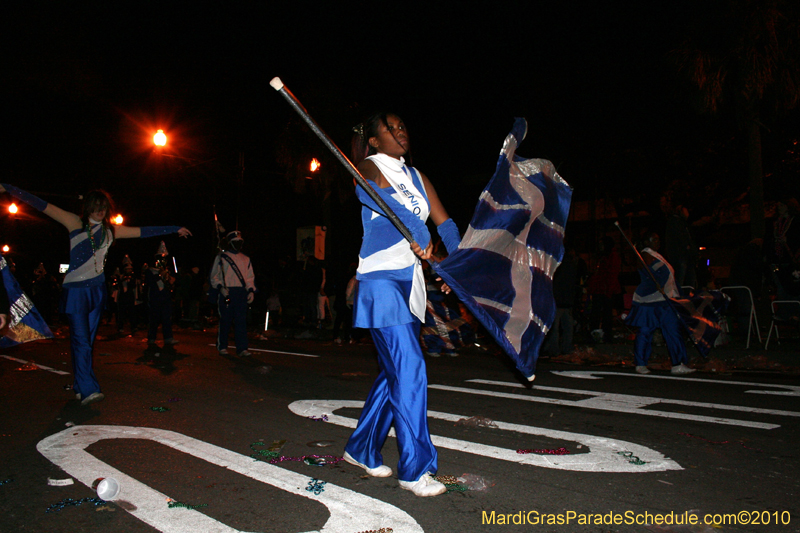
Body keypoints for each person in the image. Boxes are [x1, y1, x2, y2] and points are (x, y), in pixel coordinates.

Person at [342, 112, 461, 498]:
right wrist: (415, 228)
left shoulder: (417, 177)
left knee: (396, 370)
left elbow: (445, 223)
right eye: (390, 129)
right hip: (380, 281)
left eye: (403, 126)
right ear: (375, 141)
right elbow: (370, 192)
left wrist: (457, 264)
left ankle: (361, 447)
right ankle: (415, 469)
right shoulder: (369, 165)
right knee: (409, 366)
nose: (400, 132)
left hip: (411, 285)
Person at [0, 184, 191, 405]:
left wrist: (175, 228)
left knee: (87, 342)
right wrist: (9, 189)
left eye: (103, 207)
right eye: (96, 207)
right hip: (76, 292)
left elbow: (143, 231)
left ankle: (81, 386)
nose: (100, 211)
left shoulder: (111, 230)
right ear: (88, 207)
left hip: (97, 291)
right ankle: (89, 389)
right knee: (81, 341)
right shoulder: (74, 222)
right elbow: (42, 205)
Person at [625, 232, 695, 375]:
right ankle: (640, 363)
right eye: (654, 239)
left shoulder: (657, 255)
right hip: (650, 302)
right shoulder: (645, 255)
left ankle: (678, 363)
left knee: (673, 331)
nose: (658, 241)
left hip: (666, 300)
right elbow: (645, 270)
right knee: (645, 331)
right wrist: (654, 280)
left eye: (658, 238)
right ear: (646, 242)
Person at [210, 230, 256, 356]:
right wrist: (220, 287)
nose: (238, 244)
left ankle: (242, 348)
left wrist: (251, 290)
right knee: (226, 320)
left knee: (241, 321)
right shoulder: (221, 257)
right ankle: (222, 346)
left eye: (240, 242)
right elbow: (214, 276)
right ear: (230, 243)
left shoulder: (246, 259)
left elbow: (249, 277)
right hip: (228, 291)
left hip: (241, 292)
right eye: (235, 242)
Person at [586, 236, 621, 343]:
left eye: (602, 244)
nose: (600, 247)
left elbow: (612, 275)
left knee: (606, 315)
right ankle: (595, 334)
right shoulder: (602, 257)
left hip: (605, 291)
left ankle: (606, 335)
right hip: (599, 290)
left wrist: (608, 291)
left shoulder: (612, 257)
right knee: (596, 314)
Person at [145, 242, 178, 348]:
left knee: (166, 318)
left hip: (166, 297)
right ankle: (151, 338)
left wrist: (170, 278)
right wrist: (160, 275)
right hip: (155, 297)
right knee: (154, 319)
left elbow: (173, 282)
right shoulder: (150, 271)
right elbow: (149, 282)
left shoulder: (169, 270)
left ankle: (168, 338)